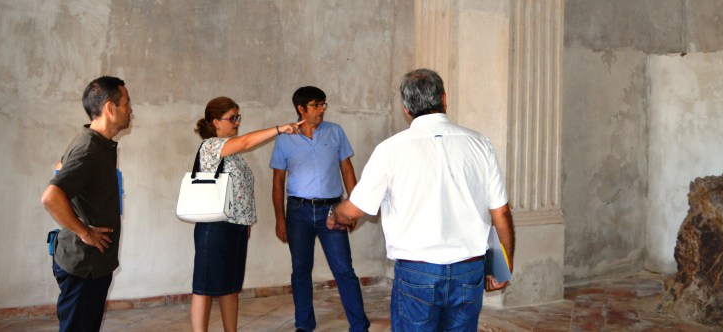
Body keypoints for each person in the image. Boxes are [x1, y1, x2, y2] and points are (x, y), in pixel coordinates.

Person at [328, 69, 515, 332]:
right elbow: (501, 213)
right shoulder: (480, 144)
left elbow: (354, 210)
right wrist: (503, 265)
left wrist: (335, 215)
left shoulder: (390, 149)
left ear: (406, 108)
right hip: (468, 268)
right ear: (444, 98)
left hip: (418, 272)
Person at [190, 97, 301, 332]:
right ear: (215, 123)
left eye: (238, 117)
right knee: (205, 288)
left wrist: (246, 222)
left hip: (235, 228)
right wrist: (280, 129)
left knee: (231, 287)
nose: (237, 123)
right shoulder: (211, 146)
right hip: (214, 228)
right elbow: (248, 141)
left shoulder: (232, 153)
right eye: (232, 118)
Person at [270, 86, 369, 332]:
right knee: (300, 270)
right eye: (316, 105)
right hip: (298, 212)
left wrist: (353, 207)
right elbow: (278, 182)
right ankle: (304, 325)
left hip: (332, 212)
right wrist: (280, 220)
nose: (322, 110)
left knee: (344, 270)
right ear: (300, 109)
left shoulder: (335, 132)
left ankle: (359, 326)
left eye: (323, 104)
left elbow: (347, 169)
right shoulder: (285, 138)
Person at [41, 76, 133, 331]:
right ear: (110, 108)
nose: (130, 109)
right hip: (83, 266)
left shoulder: (99, 144)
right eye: (126, 102)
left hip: (94, 264)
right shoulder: (89, 149)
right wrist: (85, 232)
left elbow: (61, 168)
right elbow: (51, 196)